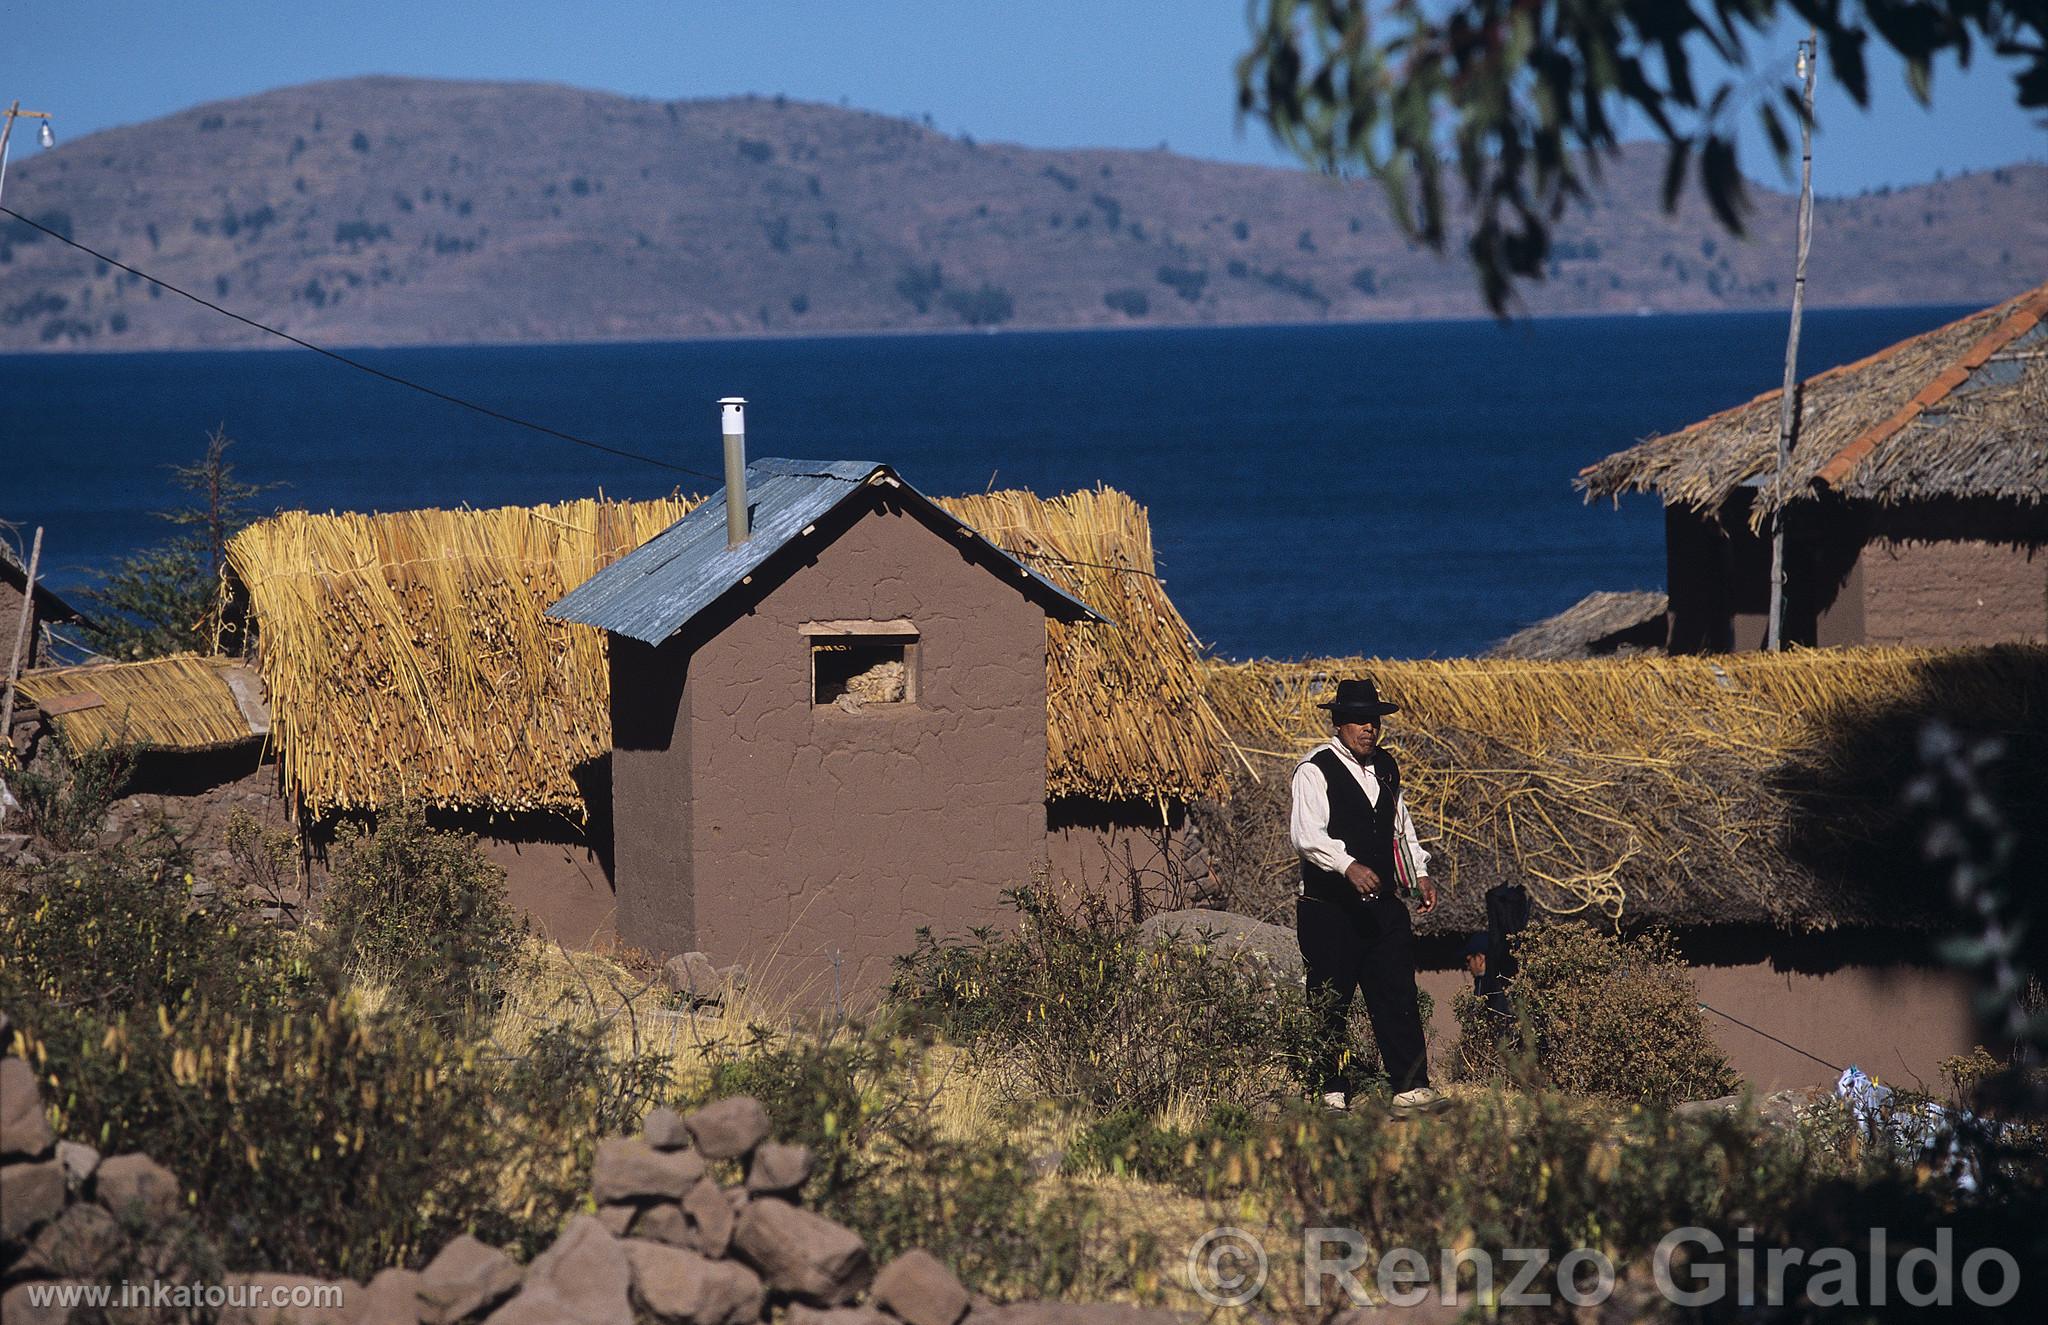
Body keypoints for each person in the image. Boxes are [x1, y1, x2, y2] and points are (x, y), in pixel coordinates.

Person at [1290, 677, 1448, 1115]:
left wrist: (1419, 873)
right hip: (1330, 909)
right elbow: (1306, 836)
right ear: (1339, 723)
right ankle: (1330, 1090)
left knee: (1396, 992)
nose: (1368, 728)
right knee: (1329, 998)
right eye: (1359, 720)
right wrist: (1347, 865)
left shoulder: (1386, 768)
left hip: (1382, 907)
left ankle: (1410, 1087)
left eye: (1373, 720)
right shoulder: (1314, 769)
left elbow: (1400, 827)